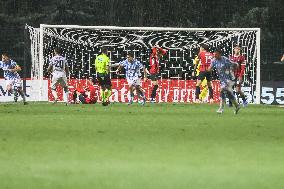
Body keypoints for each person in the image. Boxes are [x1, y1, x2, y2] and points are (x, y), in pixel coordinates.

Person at [208, 48, 241, 114]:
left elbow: (233, 65)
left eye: (216, 54)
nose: (215, 55)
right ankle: (237, 106)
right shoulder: (214, 60)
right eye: (214, 54)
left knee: (222, 90)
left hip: (229, 79)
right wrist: (209, 69)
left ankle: (221, 109)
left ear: (220, 54)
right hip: (223, 80)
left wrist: (236, 66)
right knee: (229, 95)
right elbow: (210, 68)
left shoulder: (225, 60)